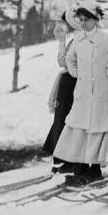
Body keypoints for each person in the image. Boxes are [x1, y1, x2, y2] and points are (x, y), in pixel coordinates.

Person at [53, 1, 108, 186]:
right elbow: (69, 60)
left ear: (96, 19)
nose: (83, 23)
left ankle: (94, 170)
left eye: (87, 19)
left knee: (96, 130)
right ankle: (80, 169)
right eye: (80, 20)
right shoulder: (78, 41)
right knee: (79, 130)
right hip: (82, 94)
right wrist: (75, 73)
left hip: (102, 95)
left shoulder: (107, 39)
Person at [44, 9, 80, 173]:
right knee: (62, 119)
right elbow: (62, 62)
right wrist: (61, 41)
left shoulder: (81, 39)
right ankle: (65, 159)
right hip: (67, 84)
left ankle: (70, 159)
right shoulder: (74, 39)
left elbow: (65, 63)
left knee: (68, 120)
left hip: (73, 84)